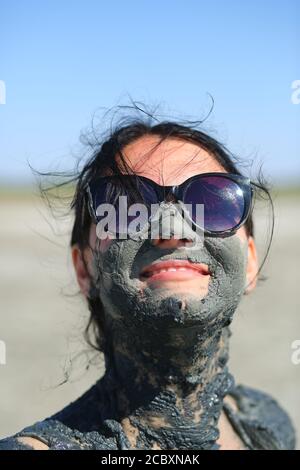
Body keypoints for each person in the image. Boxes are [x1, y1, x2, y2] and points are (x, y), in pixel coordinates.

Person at [0, 114, 296, 450]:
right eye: (128, 207)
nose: (171, 232)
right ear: (85, 269)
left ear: (250, 263)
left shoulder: (270, 426)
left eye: (210, 204)